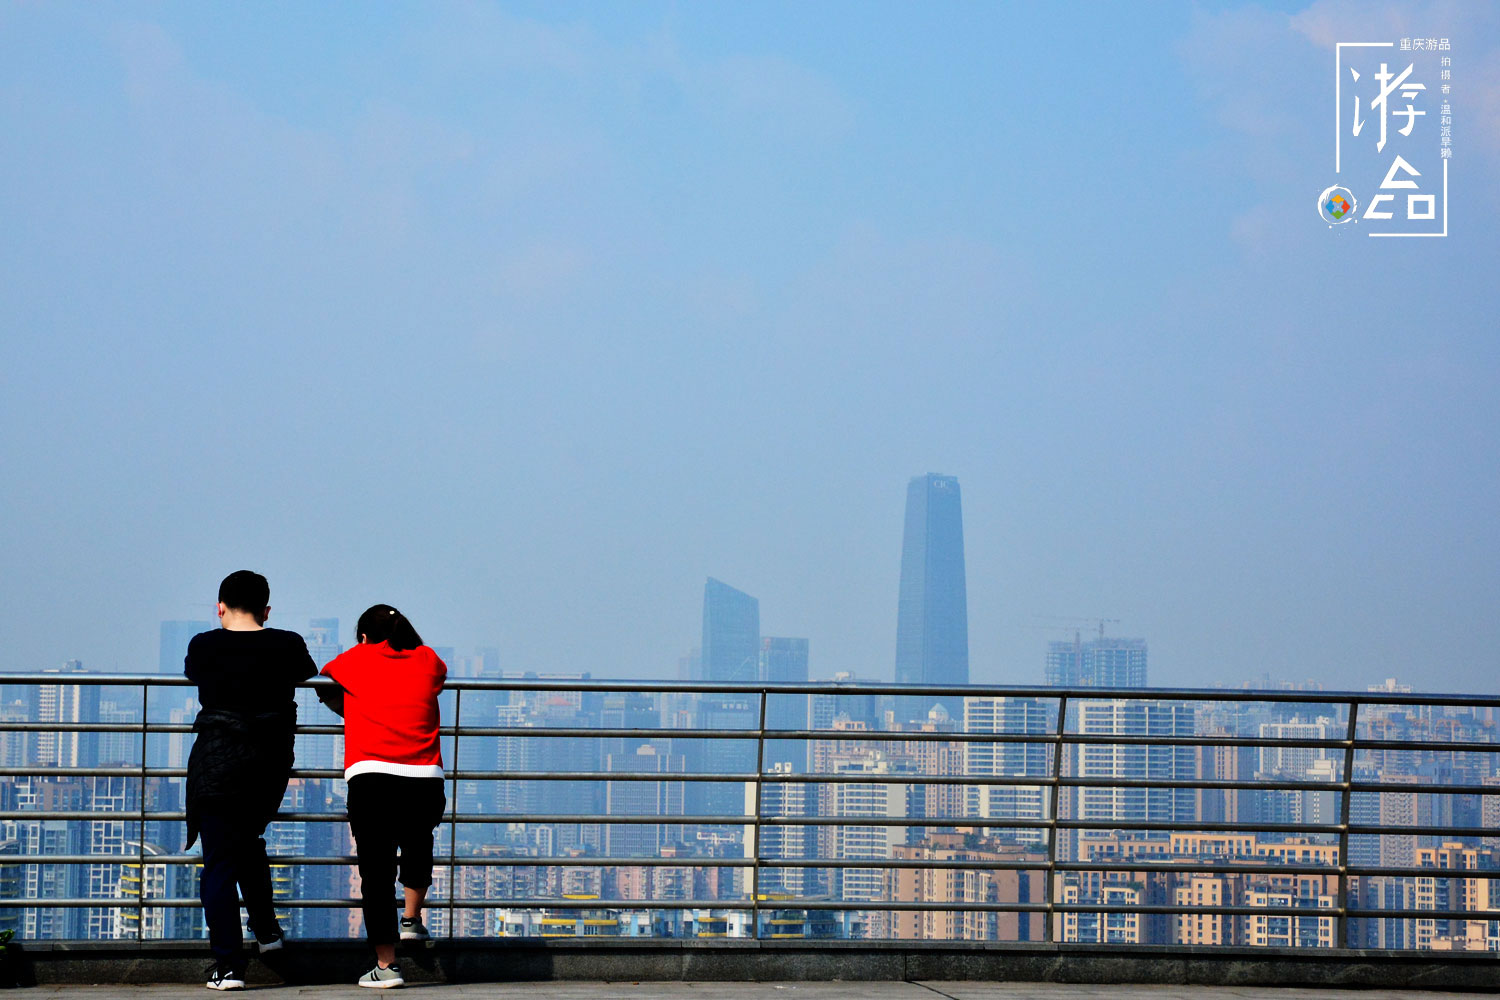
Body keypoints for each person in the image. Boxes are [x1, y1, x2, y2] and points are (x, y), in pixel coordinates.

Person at [184, 570, 316, 991]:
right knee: (245, 843)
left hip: (218, 763)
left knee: (220, 860)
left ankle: (229, 965)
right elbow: (306, 674)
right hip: (268, 766)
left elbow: (193, 675)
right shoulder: (287, 643)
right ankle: (267, 932)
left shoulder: (204, 644)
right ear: (267, 609)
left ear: (219, 607)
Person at [319, 604, 447, 990]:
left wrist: (355, 706)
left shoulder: (354, 659)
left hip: (371, 776)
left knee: (376, 873)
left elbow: (324, 677)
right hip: (424, 775)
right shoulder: (426, 658)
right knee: (419, 848)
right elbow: (438, 677)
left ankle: (386, 966)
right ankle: (411, 919)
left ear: (363, 636)